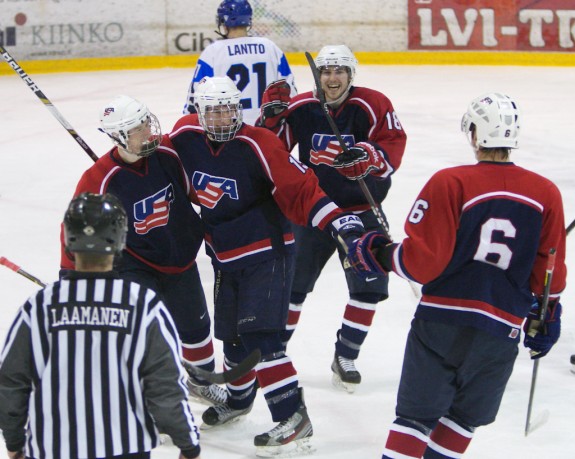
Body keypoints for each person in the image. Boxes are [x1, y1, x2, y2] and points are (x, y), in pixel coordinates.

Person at [342, 93, 567, 458]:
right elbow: (549, 274)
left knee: (415, 419)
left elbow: (422, 262)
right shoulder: (547, 193)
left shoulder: (451, 181)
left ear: (476, 134)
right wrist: (546, 316)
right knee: (464, 418)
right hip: (502, 328)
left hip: (442, 322)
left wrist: (382, 254)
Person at [168, 75, 367, 457]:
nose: (224, 117)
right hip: (225, 255)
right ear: (199, 112)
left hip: (267, 253)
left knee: (262, 338)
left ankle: (293, 417)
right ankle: (240, 400)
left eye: (229, 109)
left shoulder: (259, 142)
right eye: (215, 110)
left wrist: (340, 220)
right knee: (233, 339)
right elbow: (159, 164)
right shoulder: (184, 139)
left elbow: (302, 187)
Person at [0, 193, 202, 459]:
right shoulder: (143, 305)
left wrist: (14, 442)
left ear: (69, 240)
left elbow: (11, 382)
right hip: (126, 448)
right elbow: (165, 386)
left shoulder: (38, 307)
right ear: (119, 240)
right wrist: (188, 444)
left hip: (53, 448)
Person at [257, 44, 407, 392]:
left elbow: (392, 147)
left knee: (369, 287)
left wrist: (367, 157)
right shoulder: (302, 107)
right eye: (326, 71)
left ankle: (346, 355)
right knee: (292, 288)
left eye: (339, 71)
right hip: (314, 211)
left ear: (351, 75)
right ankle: (275, 352)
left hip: (361, 209)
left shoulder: (373, 103)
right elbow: (271, 152)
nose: (332, 77)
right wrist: (271, 118)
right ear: (317, 76)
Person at [60, 95, 226, 406]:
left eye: (147, 122)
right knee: (144, 333)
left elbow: (196, 191)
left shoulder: (166, 152)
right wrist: (70, 275)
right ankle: (150, 399)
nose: (149, 131)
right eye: (139, 129)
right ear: (120, 136)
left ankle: (201, 383)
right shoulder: (99, 179)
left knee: (197, 328)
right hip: (134, 263)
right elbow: (73, 228)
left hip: (180, 258)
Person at [182, 0, 297, 125]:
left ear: (223, 22)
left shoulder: (213, 52)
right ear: (248, 20)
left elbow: (195, 97)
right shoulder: (270, 47)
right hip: (269, 127)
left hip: (228, 128)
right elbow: (290, 89)